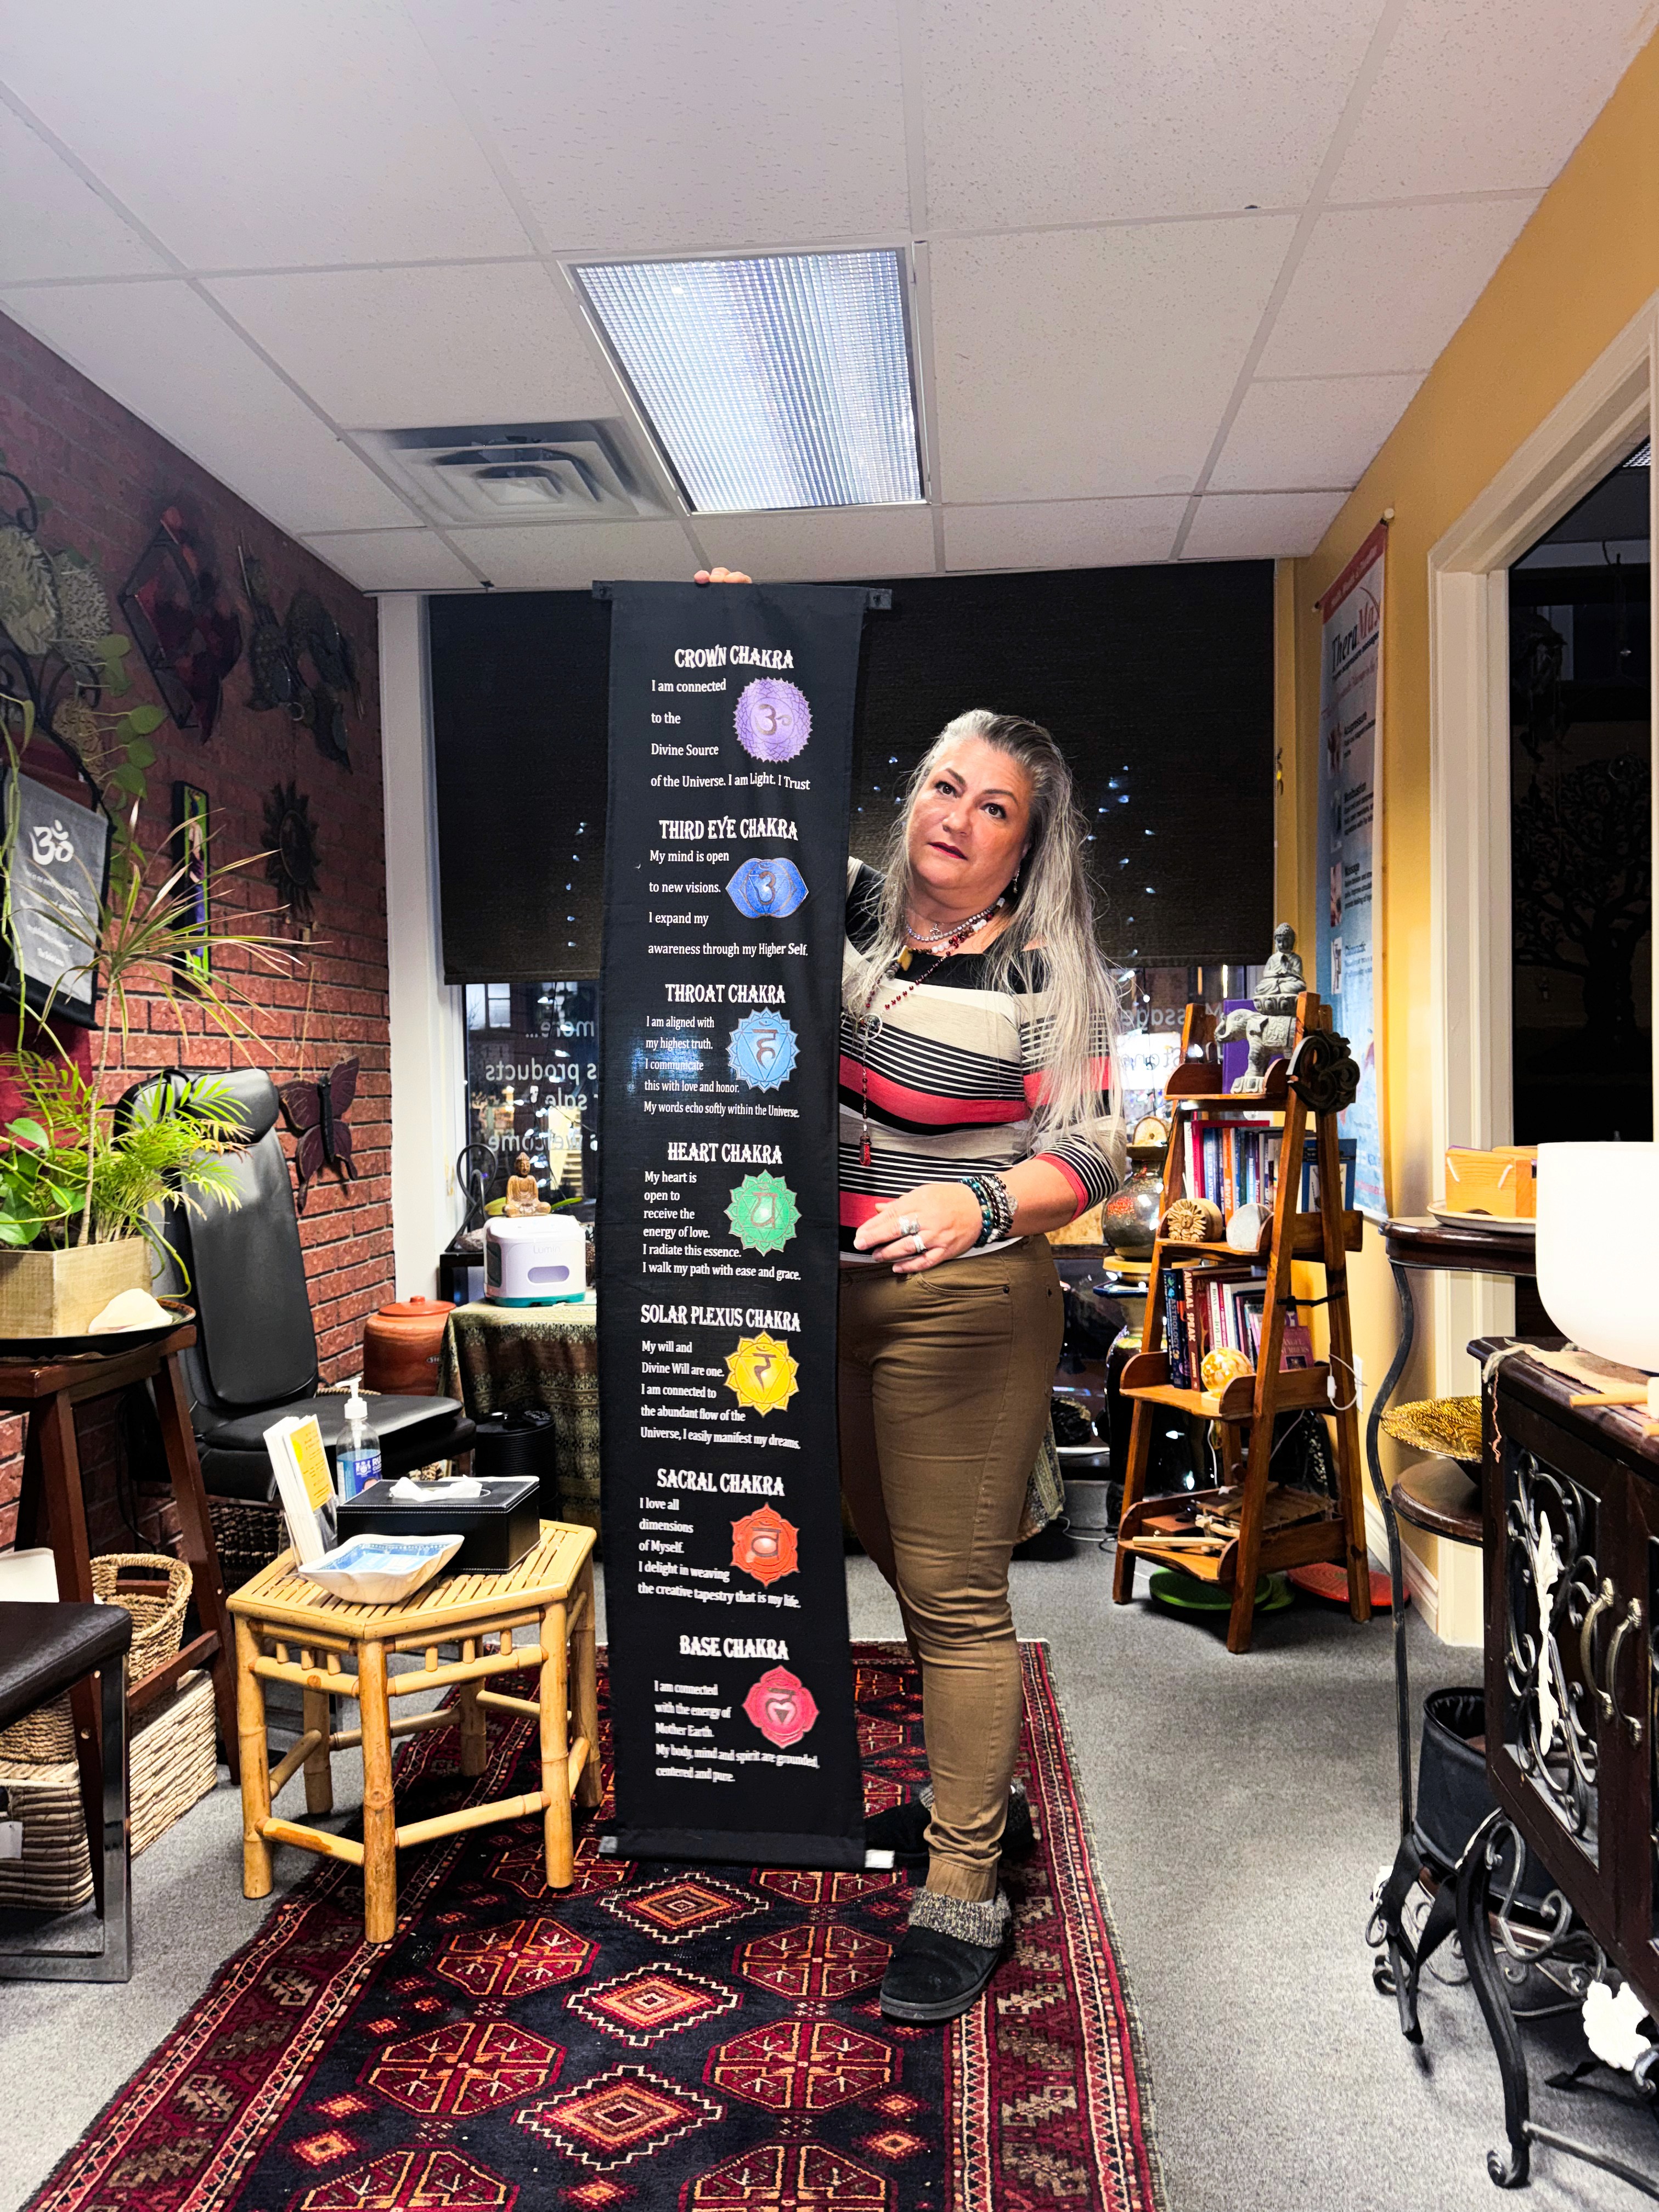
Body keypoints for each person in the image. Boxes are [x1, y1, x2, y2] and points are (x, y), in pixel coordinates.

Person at [695, 568, 1121, 2022]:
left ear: (1024, 844)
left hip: (965, 1305)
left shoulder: (1049, 968)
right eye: (946, 785)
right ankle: (973, 1798)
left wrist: (975, 1203)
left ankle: (965, 1885)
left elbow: (1096, 1154)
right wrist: (737, 649)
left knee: (952, 1595)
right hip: (826, 1300)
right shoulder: (856, 916)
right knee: (887, 1555)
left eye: (995, 807)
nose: (958, 816)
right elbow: (747, 802)